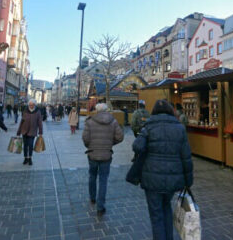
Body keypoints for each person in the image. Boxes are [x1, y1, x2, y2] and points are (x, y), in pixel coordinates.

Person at [133, 100, 193, 240]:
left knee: (156, 215)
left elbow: (137, 147)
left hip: (152, 178)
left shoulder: (148, 126)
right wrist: (188, 180)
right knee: (166, 207)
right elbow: (186, 157)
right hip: (173, 177)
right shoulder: (180, 128)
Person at [82, 103, 124, 216]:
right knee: (103, 180)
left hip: (92, 153)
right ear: (106, 110)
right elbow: (120, 137)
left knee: (92, 175)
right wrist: (110, 144)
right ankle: (100, 206)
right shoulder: (113, 121)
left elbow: (85, 138)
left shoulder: (90, 121)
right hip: (106, 154)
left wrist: (90, 146)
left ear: (96, 110)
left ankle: (92, 197)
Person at [17, 99, 43, 166]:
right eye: (30, 105)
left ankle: (30, 158)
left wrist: (40, 132)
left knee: (31, 145)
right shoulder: (25, 110)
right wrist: (18, 131)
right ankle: (25, 158)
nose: (31, 106)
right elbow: (22, 121)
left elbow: (40, 122)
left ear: (34, 105)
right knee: (25, 145)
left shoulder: (38, 111)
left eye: (32, 105)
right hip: (24, 130)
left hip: (32, 131)